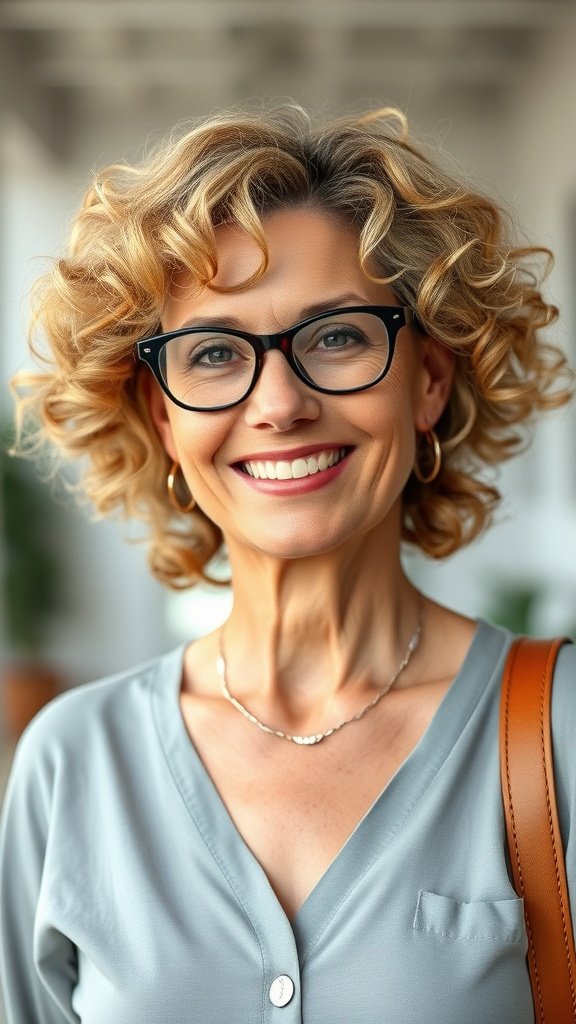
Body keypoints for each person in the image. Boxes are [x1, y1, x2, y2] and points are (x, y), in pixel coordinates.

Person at [0, 104, 574, 1024]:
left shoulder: (560, 734)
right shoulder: (72, 763)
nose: (278, 404)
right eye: (215, 353)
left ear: (427, 379)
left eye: (339, 337)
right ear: (161, 416)